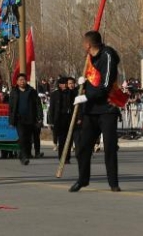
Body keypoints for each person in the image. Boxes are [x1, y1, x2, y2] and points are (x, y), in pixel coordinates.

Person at [70, 31, 124, 193]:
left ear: (88, 45)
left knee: (109, 147)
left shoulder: (107, 56)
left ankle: (113, 183)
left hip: (107, 108)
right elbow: (92, 81)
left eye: (83, 44)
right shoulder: (89, 58)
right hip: (91, 111)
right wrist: (84, 83)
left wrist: (86, 96)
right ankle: (83, 179)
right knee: (82, 147)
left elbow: (105, 85)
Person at [8, 74, 41, 165]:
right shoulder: (14, 92)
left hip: (30, 118)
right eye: (20, 80)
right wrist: (11, 120)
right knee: (22, 137)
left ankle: (24, 154)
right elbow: (11, 108)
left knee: (28, 139)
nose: (22, 81)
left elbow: (38, 105)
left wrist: (39, 117)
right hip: (19, 119)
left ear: (26, 81)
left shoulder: (32, 91)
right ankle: (24, 156)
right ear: (17, 82)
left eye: (23, 79)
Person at [49, 78, 74, 163]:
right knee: (62, 140)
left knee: (69, 139)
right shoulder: (55, 94)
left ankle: (67, 157)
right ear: (59, 85)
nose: (64, 85)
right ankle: (62, 157)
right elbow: (51, 108)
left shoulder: (71, 93)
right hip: (59, 119)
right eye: (62, 84)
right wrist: (51, 121)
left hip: (70, 117)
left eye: (65, 83)